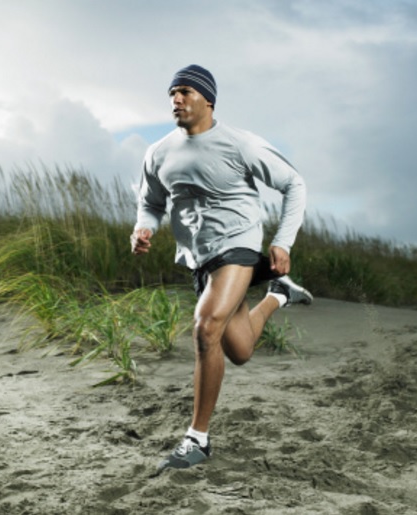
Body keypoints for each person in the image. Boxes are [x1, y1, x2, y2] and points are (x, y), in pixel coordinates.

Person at [130, 64, 313, 473]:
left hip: (239, 245)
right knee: (239, 349)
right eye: (172, 94)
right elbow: (151, 203)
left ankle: (197, 439)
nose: (176, 100)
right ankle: (279, 294)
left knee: (205, 327)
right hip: (200, 257)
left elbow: (293, 184)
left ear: (207, 99)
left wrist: (282, 240)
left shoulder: (240, 144)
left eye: (184, 92)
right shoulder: (159, 152)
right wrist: (144, 228)